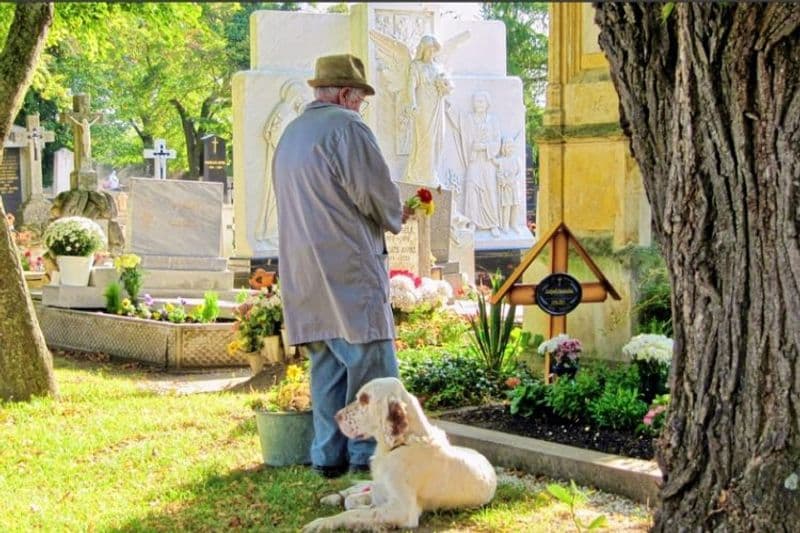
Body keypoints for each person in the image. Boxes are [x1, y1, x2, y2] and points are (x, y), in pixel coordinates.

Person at [273, 54, 412, 478]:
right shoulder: (348, 127)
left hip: (304, 270)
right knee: (373, 366)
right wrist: (398, 212)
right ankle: (370, 458)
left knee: (328, 368)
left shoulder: (292, 133)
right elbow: (374, 192)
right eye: (361, 98)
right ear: (346, 94)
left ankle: (327, 456)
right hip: (346, 267)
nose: (361, 106)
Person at [402, 35, 454, 187]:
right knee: (426, 141)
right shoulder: (416, 66)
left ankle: (432, 174)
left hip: (437, 106)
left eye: (433, 49)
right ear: (423, 49)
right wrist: (413, 104)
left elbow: (448, 86)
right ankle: (423, 177)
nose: (431, 52)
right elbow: (411, 86)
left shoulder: (438, 68)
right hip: (423, 107)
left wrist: (446, 88)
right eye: (428, 49)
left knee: (439, 140)